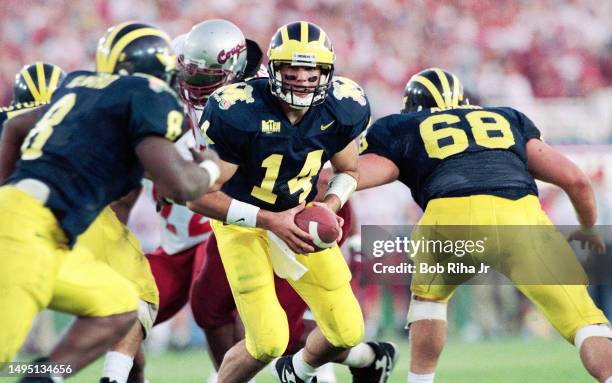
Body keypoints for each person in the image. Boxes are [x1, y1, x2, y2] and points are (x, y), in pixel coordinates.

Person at [356, 67, 612, 383]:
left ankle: (419, 380)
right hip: (520, 216)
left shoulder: (403, 127)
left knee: (429, 303)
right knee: (586, 323)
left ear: (412, 110)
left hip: (450, 217)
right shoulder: (508, 118)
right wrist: (587, 229)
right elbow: (577, 180)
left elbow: (353, 176)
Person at [0, 22, 220, 381]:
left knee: (120, 306)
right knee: (3, 353)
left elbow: (17, 126)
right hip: (26, 230)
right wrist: (210, 167)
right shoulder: (144, 94)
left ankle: (43, 376)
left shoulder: (80, 86)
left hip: (47, 230)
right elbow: (181, 186)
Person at [187, 21, 396, 383]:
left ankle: (296, 371)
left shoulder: (341, 107)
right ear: (273, 69)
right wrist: (269, 220)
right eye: (291, 68)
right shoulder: (239, 110)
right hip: (245, 223)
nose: (301, 77)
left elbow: (349, 170)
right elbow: (199, 196)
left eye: (311, 68)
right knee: (267, 341)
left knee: (347, 332)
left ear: (326, 71)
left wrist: (329, 205)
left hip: (299, 220)